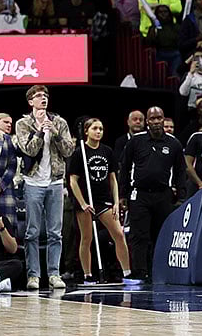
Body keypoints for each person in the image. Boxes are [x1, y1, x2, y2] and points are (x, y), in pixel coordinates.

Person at [13, 85, 75, 291]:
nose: (43, 99)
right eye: (38, 96)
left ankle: (54, 274)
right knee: (32, 232)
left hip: (55, 181)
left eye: (46, 96)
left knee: (55, 233)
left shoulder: (59, 122)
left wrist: (55, 133)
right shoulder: (23, 124)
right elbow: (28, 149)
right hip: (33, 182)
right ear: (30, 101)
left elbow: (68, 150)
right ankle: (33, 275)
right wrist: (40, 131)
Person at [119, 106, 186, 281]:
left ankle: (160, 271)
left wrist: (181, 196)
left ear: (164, 119)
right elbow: (124, 168)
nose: (156, 122)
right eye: (152, 119)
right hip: (139, 195)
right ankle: (140, 272)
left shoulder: (174, 143)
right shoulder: (136, 141)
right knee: (138, 235)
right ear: (147, 121)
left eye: (159, 118)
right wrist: (123, 195)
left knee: (162, 234)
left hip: (163, 195)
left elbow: (180, 171)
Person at [68, 118, 134, 284]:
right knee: (87, 238)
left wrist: (116, 202)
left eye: (101, 129)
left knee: (119, 234)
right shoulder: (79, 152)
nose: (98, 132)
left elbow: (113, 179)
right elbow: (73, 181)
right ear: (86, 131)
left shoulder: (107, 151)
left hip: (104, 200)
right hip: (86, 202)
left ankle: (127, 273)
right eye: (95, 128)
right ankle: (87, 275)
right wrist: (82, 203)